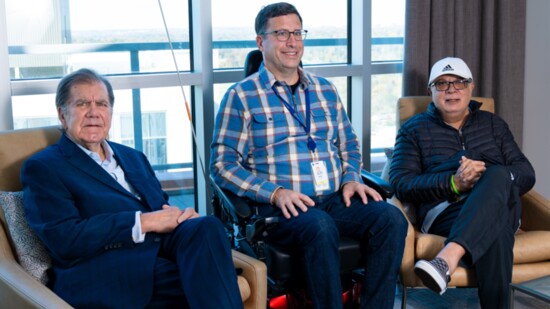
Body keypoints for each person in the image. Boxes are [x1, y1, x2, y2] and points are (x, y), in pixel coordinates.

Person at [210, 3, 408, 308]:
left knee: (391, 218)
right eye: (281, 33)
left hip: (333, 198)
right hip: (280, 210)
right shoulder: (241, 96)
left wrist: (351, 178)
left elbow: (349, 145)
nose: (292, 41)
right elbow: (222, 166)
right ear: (261, 42)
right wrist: (274, 193)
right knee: (319, 225)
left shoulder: (325, 90)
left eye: (297, 33)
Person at [21, 68, 243, 309]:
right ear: (62, 115)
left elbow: (160, 207)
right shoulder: (44, 167)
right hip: (106, 268)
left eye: (102, 104)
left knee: (206, 225)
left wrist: (181, 219)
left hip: (157, 249)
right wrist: (143, 222)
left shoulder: (132, 156)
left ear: (111, 113)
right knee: (210, 279)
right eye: (82, 104)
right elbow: (64, 239)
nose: (94, 113)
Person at [389, 57, 536, 308]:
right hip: (446, 210)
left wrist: (488, 175)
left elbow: (525, 172)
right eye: (442, 84)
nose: (451, 90)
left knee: (498, 175)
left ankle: (446, 259)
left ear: (471, 87)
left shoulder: (494, 125)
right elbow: (401, 183)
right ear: (430, 91)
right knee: (496, 228)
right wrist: (454, 183)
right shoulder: (413, 130)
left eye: (459, 83)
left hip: (499, 199)